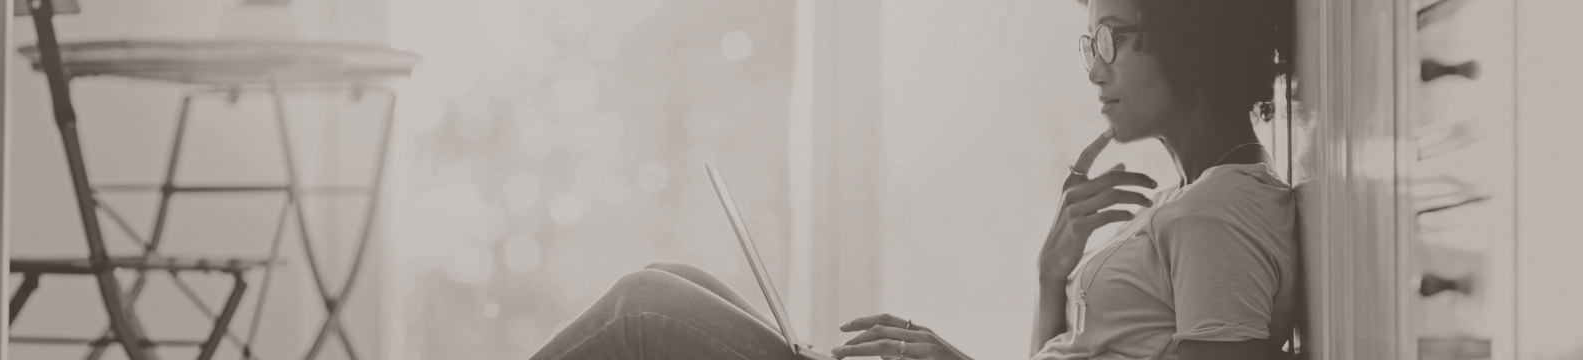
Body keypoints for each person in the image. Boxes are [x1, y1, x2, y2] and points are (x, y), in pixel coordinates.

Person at [530, 0, 1297, 357]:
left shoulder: (1219, 212)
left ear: (1188, 40)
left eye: (1112, 38)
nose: (1094, 65)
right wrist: (1049, 279)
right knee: (674, 274)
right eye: (1087, 41)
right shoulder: (1193, 200)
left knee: (645, 305)